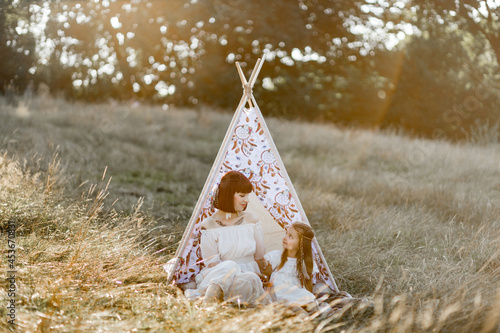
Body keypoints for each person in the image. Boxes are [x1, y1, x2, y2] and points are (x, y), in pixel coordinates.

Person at [191, 171, 269, 304]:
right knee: (229, 265)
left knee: (250, 278)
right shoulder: (209, 225)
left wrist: (267, 275)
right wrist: (236, 270)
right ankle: (211, 299)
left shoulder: (251, 220)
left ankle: (218, 302)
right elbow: (212, 264)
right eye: (242, 195)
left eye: (247, 196)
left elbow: (260, 257)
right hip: (221, 274)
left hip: (250, 275)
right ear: (228, 195)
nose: (247, 200)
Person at [263, 222, 320, 309]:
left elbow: (308, 283)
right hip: (278, 291)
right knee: (290, 302)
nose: (285, 238)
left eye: (290, 236)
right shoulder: (277, 256)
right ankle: (301, 311)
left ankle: (312, 311)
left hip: (294, 290)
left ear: (300, 244)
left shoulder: (303, 263)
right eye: (286, 233)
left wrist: (309, 294)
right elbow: (266, 275)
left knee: (308, 298)